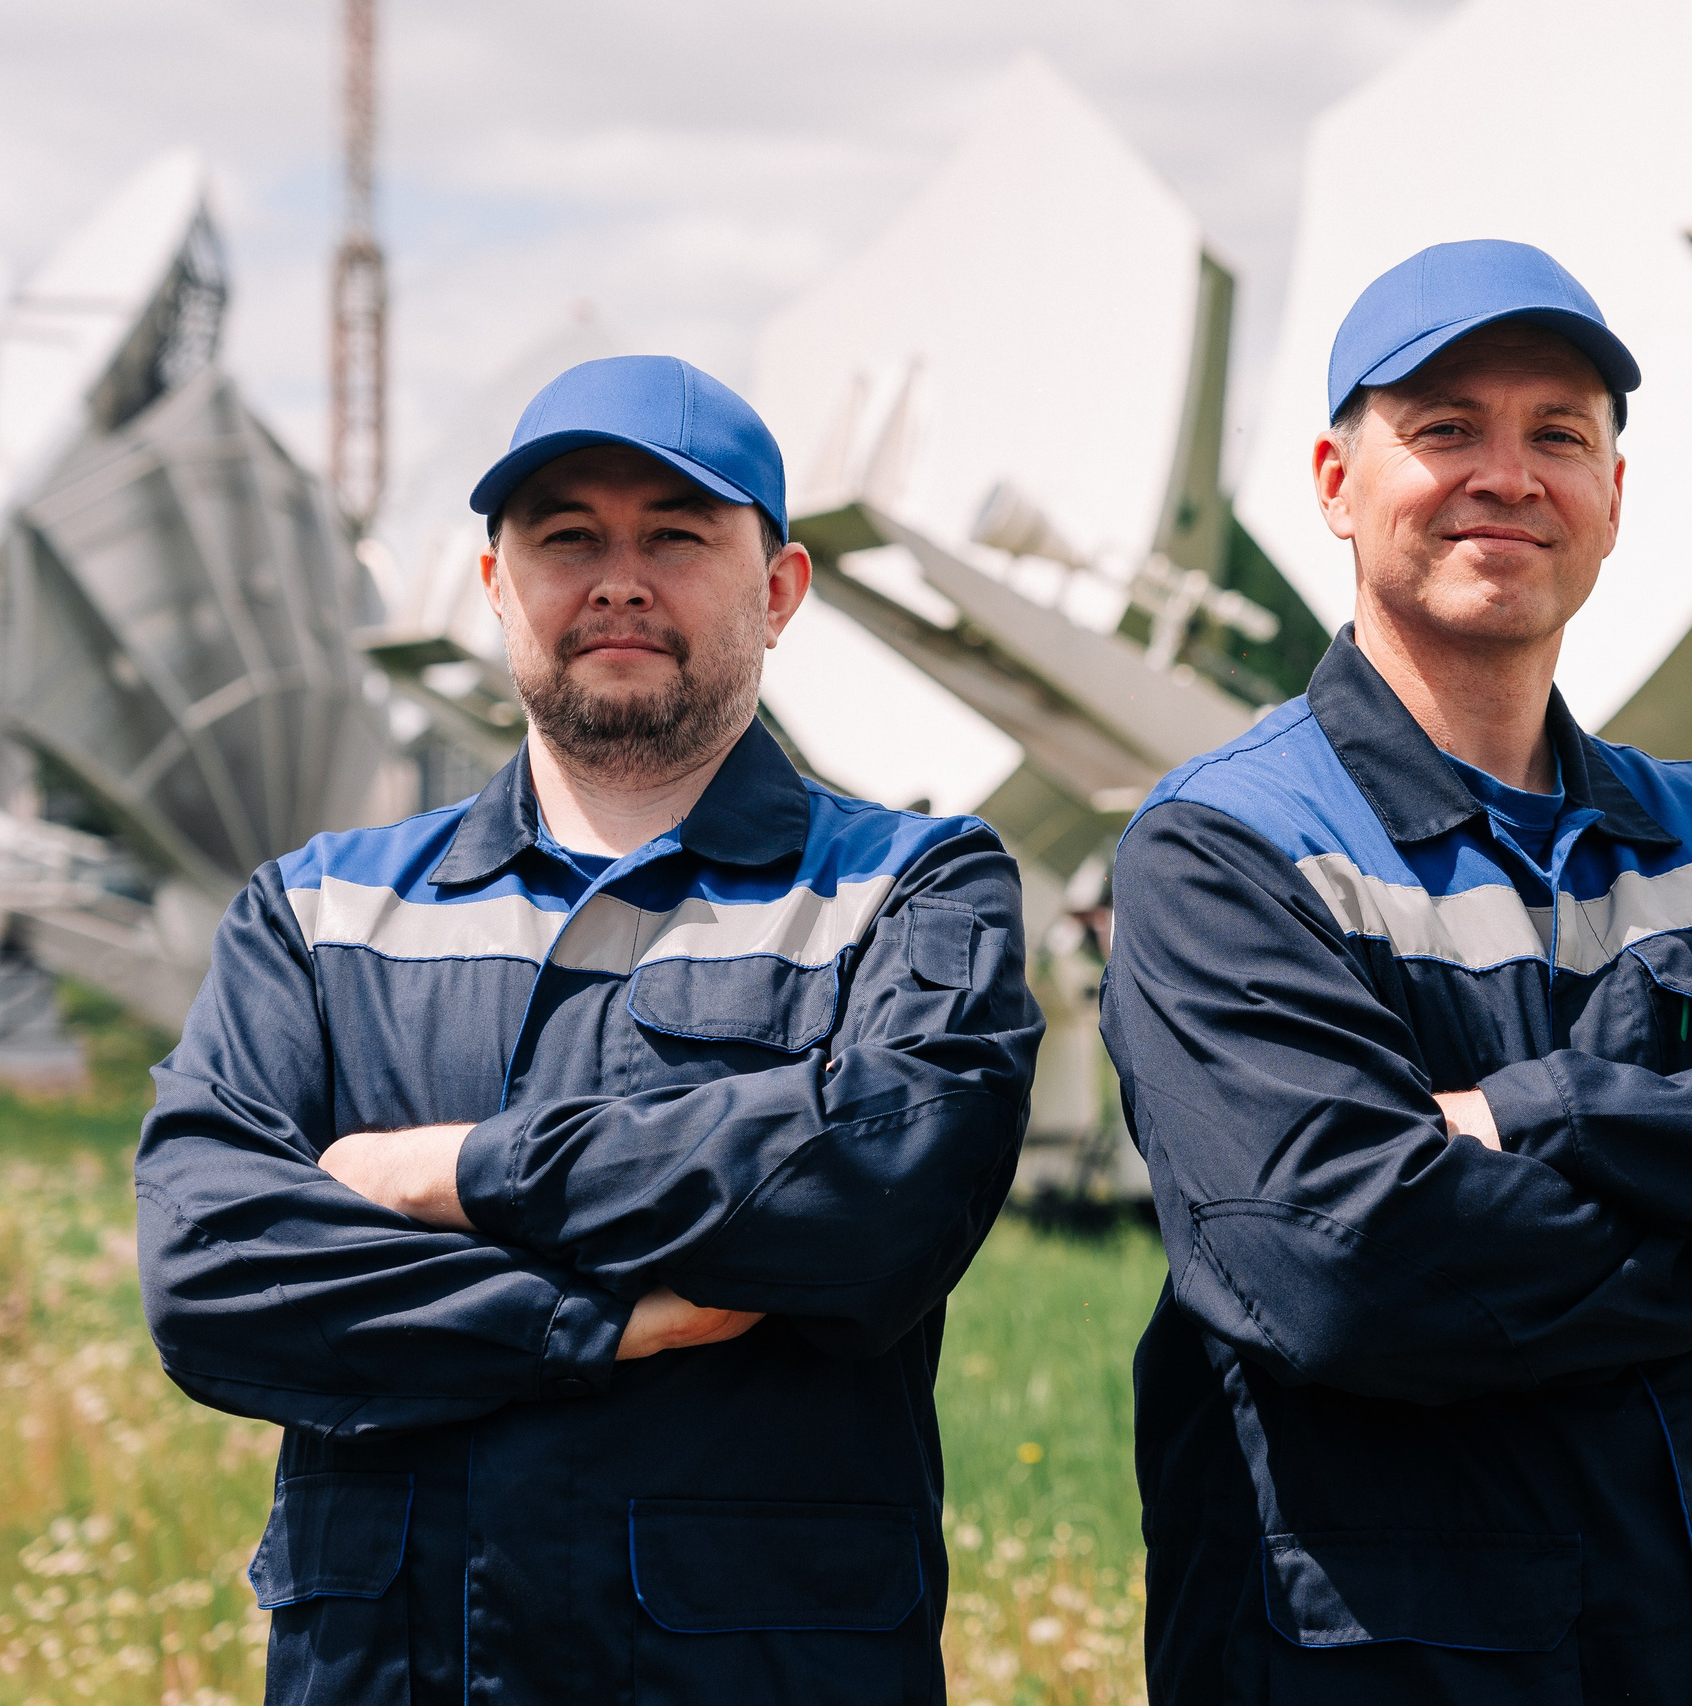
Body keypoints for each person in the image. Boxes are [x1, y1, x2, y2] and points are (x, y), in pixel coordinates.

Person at [1099, 241, 1692, 1704]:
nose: (1506, 475)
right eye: (1445, 427)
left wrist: (1557, 1115)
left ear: (1612, 499)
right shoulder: (1226, 851)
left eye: (1558, 437)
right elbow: (1345, 1270)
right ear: (1337, 484)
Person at [136, 355, 1042, 1705]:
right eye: (567, 537)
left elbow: (876, 1191)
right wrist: (591, 1321)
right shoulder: (323, 911)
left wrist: (448, 1175)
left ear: (780, 591)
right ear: (497, 584)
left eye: (675, 534)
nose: (618, 577)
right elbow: (215, 1273)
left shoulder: (911, 889)